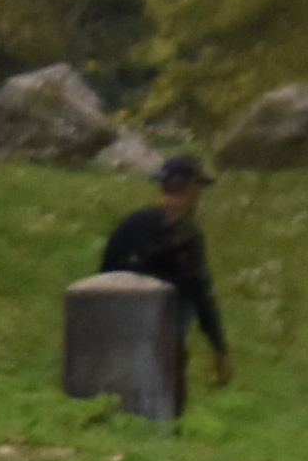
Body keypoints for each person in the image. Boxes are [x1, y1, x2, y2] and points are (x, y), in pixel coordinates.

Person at [99, 152, 233, 393]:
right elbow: (199, 293)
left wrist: (218, 347)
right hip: (142, 324)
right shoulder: (142, 226)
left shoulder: (146, 224)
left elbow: (200, 290)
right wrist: (219, 349)